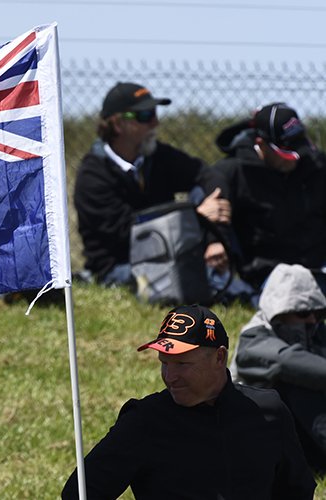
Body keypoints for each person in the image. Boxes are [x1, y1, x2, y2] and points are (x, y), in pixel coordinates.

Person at [61, 304, 315, 499]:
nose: (170, 377)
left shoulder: (268, 411)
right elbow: (80, 493)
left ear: (219, 358)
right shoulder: (145, 421)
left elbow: (297, 490)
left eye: (182, 364)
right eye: (164, 364)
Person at [74, 82, 231, 287]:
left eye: (155, 114)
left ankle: (219, 270)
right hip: (120, 266)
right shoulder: (92, 176)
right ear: (118, 124)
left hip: (172, 255)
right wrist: (196, 216)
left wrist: (214, 240)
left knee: (202, 190)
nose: (155, 123)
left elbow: (210, 176)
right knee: (201, 282)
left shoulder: (157, 156)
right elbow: (132, 234)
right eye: (145, 116)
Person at [214, 102, 326, 292]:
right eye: (287, 154)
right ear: (261, 144)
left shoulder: (316, 164)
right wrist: (214, 242)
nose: (297, 158)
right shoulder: (234, 171)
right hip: (269, 275)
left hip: (319, 267)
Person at [231, 263, 326, 472]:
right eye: (303, 313)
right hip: (256, 440)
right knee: (298, 381)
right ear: (279, 313)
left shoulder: (315, 331)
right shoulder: (253, 339)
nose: (312, 320)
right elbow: (288, 361)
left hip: (295, 439)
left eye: (317, 313)